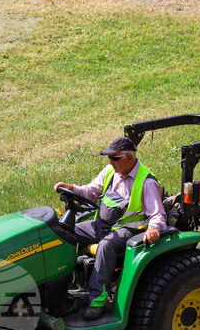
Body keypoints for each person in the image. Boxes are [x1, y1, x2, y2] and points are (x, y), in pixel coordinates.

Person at [54, 136, 167, 320]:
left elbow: (157, 215)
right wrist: (71, 188)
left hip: (128, 230)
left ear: (129, 158)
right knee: (64, 231)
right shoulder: (110, 171)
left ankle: (97, 301)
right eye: (109, 158)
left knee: (106, 246)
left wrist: (153, 228)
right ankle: (63, 287)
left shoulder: (147, 182)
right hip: (102, 225)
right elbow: (90, 192)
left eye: (115, 158)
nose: (110, 162)